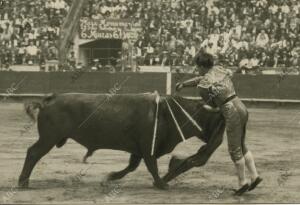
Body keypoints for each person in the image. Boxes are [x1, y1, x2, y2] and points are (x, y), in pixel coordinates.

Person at [176, 51, 263, 196]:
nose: (197, 70)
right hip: (241, 106)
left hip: (230, 112)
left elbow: (213, 106)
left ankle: (242, 183)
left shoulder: (202, 87)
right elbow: (203, 78)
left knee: (234, 149)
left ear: (202, 66)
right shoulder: (220, 69)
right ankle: (254, 176)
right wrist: (185, 84)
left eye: (198, 67)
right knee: (241, 145)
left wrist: (205, 107)